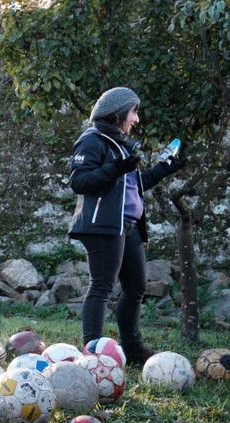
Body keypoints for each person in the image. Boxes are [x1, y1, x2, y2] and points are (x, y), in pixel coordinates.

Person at [67, 87, 188, 366]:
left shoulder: (121, 143)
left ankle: (132, 351)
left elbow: (131, 188)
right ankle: (92, 356)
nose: (136, 118)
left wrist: (163, 170)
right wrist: (115, 168)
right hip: (102, 226)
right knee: (101, 287)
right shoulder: (92, 140)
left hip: (128, 225)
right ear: (118, 112)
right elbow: (79, 182)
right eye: (134, 111)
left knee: (135, 288)